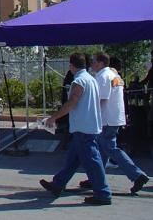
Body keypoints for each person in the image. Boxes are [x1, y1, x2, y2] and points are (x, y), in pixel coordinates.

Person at [39, 52, 112, 205]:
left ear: (71, 66)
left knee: (93, 162)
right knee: (73, 159)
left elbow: (71, 103)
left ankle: (103, 193)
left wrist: (53, 118)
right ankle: (58, 184)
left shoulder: (79, 81)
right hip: (88, 126)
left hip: (83, 128)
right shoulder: (91, 79)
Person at [79, 52, 149, 194]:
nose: (92, 64)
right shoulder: (113, 75)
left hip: (107, 118)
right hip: (114, 117)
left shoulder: (103, 76)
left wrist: (90, 114)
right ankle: (96, 178)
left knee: (110, 148)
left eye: (94, 61)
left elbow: (101, 99)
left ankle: (137, 175)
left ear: (101, 63)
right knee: (102, 150)